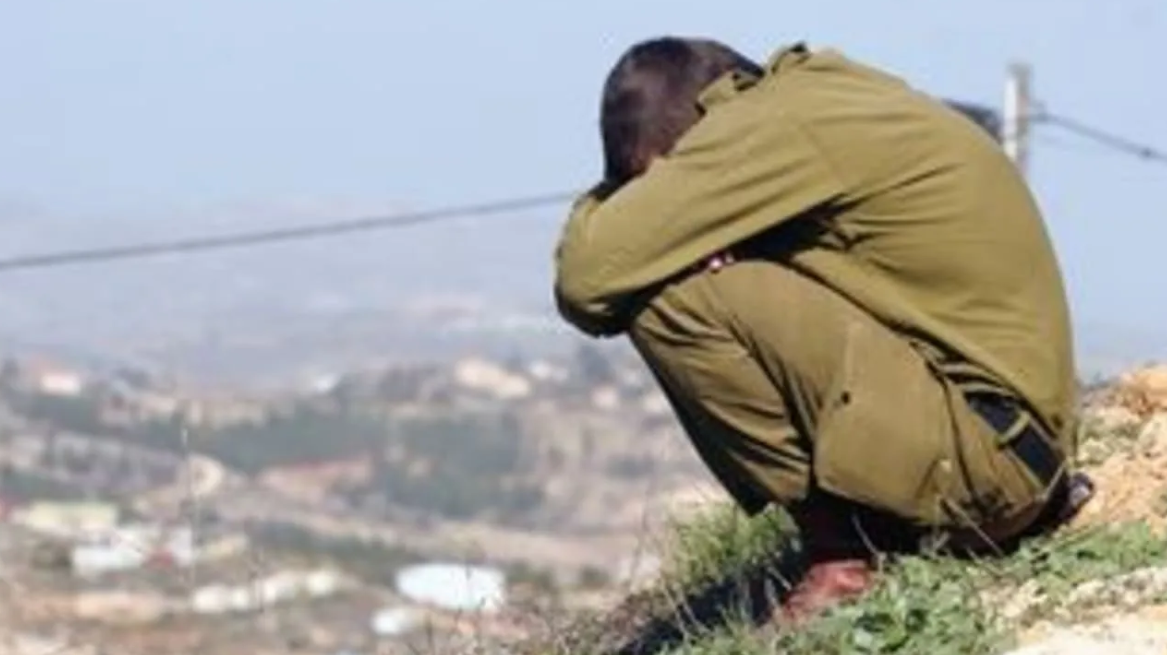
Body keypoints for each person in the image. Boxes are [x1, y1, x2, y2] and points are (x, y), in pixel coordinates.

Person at [553, 37, 1093, 620]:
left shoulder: (768, 130)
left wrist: (617, 200)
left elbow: (588, 280)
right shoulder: (818, 102)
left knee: (667, 294)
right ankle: (882, 526)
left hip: (989, 472)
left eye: (664, 185)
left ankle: (839, 556)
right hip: (1022, 456)